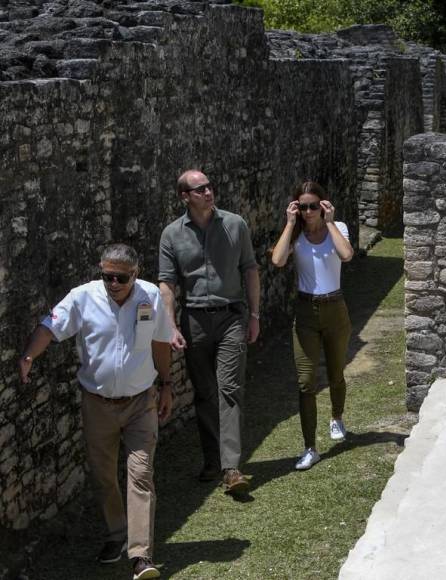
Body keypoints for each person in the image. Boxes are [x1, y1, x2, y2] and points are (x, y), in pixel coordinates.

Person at [18, 244, 173, 580]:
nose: (113, 283)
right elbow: (49, 326)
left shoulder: (150, 297)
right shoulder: (83, 297)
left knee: (141, 475)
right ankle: (116, 534)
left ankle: (141, 556)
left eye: (120, 277)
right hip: (97, 404)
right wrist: (29, 356)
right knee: (104, 477)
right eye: (107, 276)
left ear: (135, 273)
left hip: (140, 402)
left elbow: (160, 341)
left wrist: (167, 384)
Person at [158, 169, 260, 493]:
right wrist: (170, 324)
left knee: (229, 387)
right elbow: (167, 284)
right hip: (194, 320)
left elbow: (250, 269)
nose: (207, 192)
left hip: (231, 316)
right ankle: (212, 462)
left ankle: (231, 468)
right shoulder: (171, 235)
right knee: (204, 393)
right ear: (185, 196)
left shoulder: (235, 225)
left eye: (209, 186)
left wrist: (254, 315)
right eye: (199, 189)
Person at [271, 180, 354, 470]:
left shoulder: (338, 228)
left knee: (335, 373)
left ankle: (337, 416)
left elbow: (347, 255)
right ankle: (310, 447)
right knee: (306, 383)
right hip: (306, 312)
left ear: (323, 205)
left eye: (313, 206)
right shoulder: (296, 235)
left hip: (336, 308)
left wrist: (330, 222)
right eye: (303, 206)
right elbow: (278, 260)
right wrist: (289, 222)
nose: (308, 212)